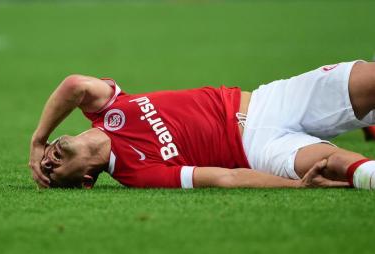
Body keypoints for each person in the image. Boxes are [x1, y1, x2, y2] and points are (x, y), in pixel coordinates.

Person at [29, 60, 375, 190]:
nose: (47, 160)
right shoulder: (136, 173)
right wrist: (296, 188)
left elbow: (75, 84)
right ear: (87, 179)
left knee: (369, 79)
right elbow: (225, 177)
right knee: (338, 167)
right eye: (52, 172)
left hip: (270, 100)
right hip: (258, 150)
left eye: (45, 162)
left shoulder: (108, 109)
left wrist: (37, 141)